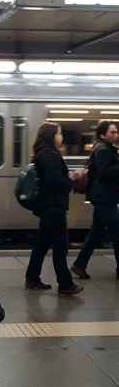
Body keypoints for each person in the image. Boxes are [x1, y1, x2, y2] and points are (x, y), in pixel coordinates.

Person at [25, 122, 84, 295]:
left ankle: (32, 278)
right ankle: (65, 284)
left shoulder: (42, 153)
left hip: (47, 206)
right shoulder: (50, 154)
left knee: (42, 243)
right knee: (60, 246)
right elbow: (54, 181)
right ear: (52, 136)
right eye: (59, 134)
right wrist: (70, 180)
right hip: (53, 206)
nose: (62, 137)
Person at [72, 120, 119, 280]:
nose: (116, 134)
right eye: (112, 132)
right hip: (105, 197)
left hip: (102, 196)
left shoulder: (105, 148)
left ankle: (79, 265)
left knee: (97, 232)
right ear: (102, 134)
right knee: (117, 233)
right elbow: (104, 172)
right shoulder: (103, 150)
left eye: (116, 132)